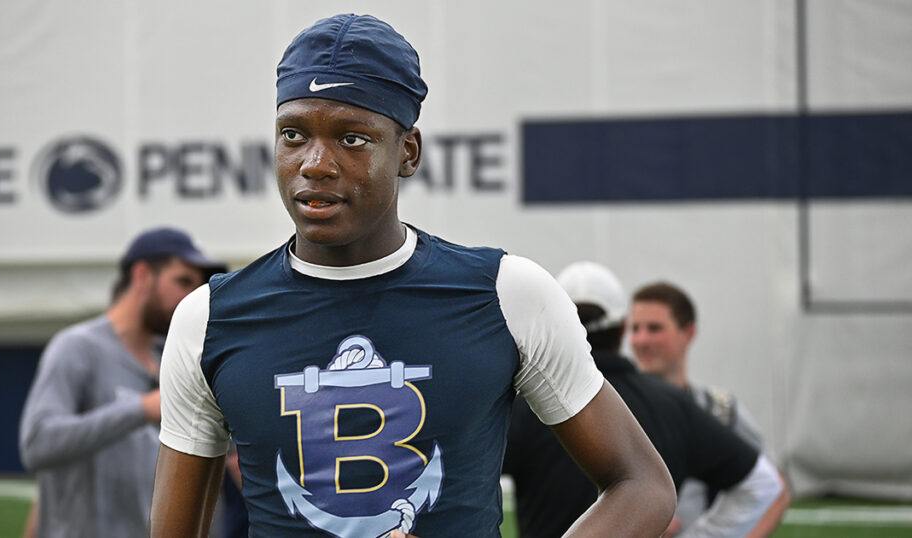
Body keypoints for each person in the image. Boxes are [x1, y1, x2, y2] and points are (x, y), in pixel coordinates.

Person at [150, 13, 675, 538]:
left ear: (408, 152)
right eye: (293, 134)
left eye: (351, 139)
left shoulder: (507, 295)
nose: (315, 163)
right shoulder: (209, 320)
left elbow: (643, 485)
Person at [504, 261, 784, 538]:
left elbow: (464, 485)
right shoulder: (674, 404)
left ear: (554, 327)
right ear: (624, 329)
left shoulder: (520, 409)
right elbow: (763, 485)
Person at [18, 227, 225, 537]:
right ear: (142, 276)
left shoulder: (171, 358)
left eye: (197, 287)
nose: (190, 298)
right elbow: (38, 443)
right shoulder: (77, 348)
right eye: (182, 281)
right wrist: (140, 409)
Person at [630, 281, 791, 536]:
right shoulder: (617, 409)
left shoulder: (719, 408)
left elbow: (776, 488)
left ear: (689, 333)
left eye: (654, 328)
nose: (641, 339)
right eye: (635, 329)